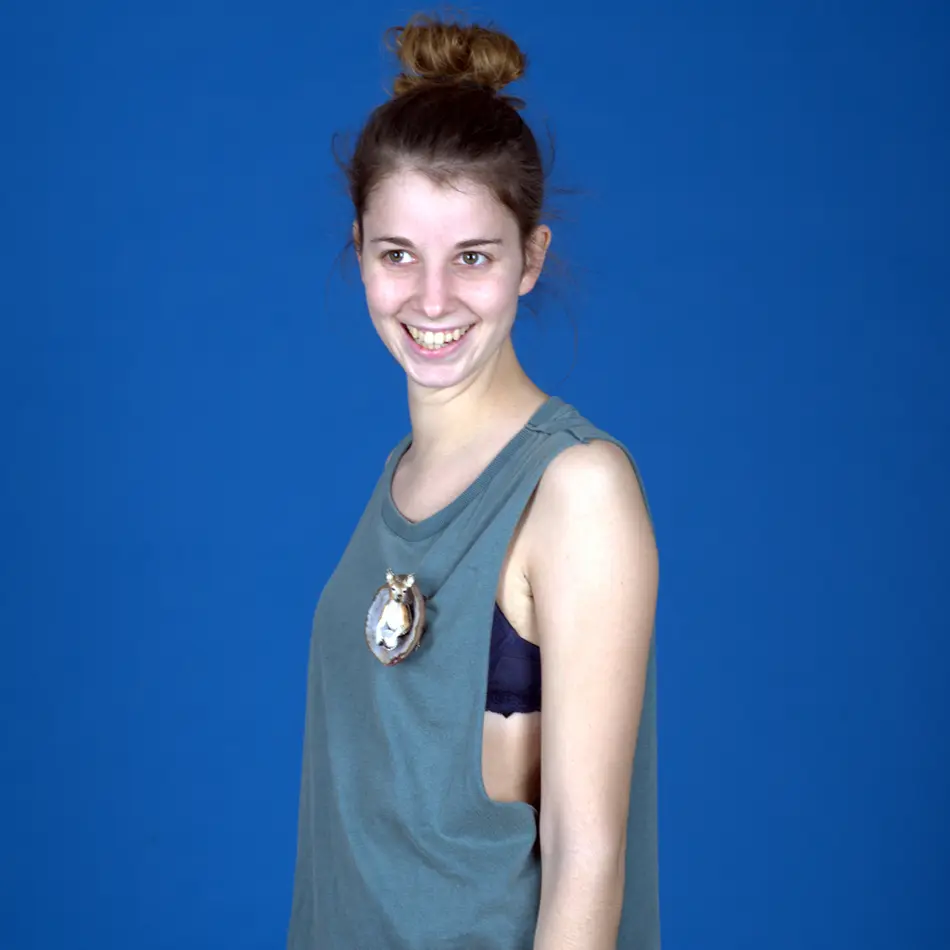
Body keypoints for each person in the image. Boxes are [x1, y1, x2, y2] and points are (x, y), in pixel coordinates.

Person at [287, 14, 660, 949]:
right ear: (360, 251)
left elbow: (586, 860)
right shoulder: (401, 477)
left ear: (530, 259)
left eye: (474, 257)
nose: (432, 299)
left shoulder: (576, 488)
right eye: (398, 254)